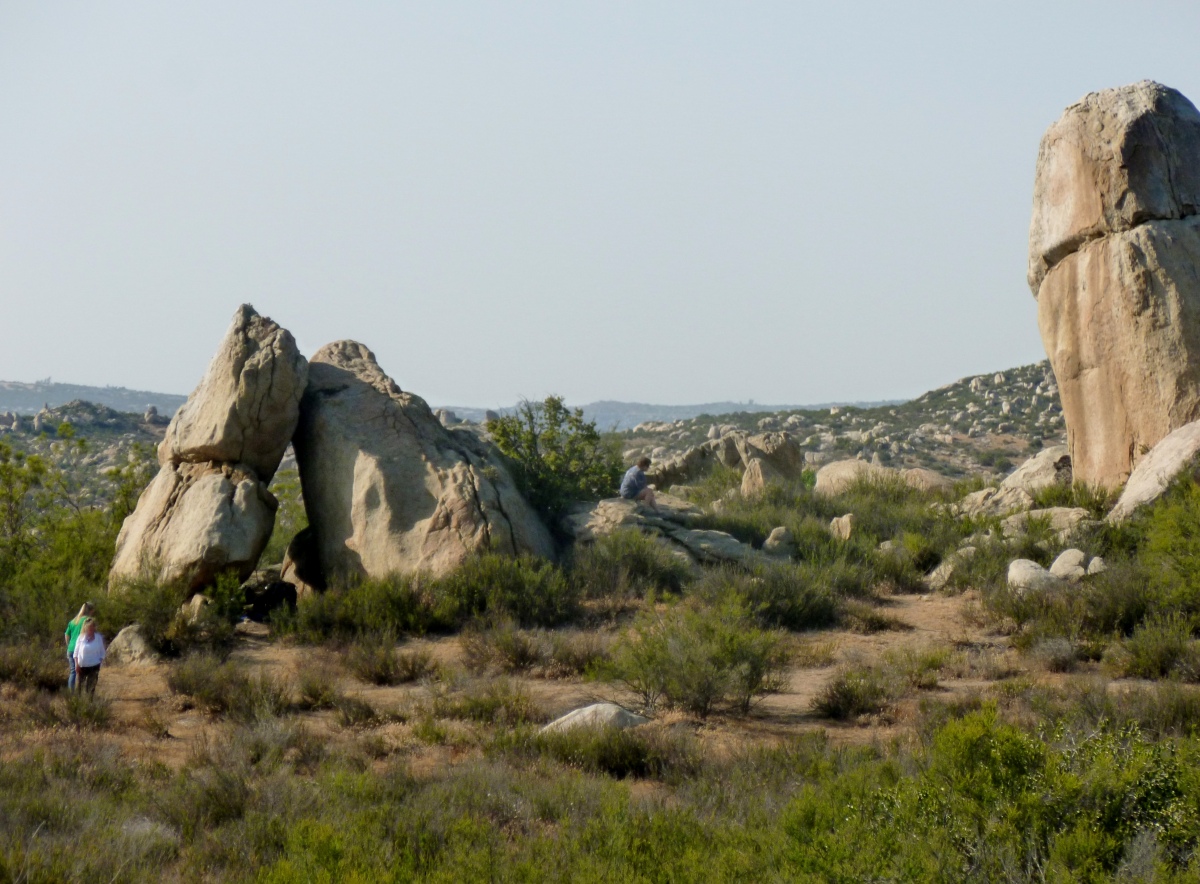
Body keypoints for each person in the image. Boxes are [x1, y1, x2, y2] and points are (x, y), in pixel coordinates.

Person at [64, 602, 94, 690]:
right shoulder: (88, 621)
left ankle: (70, 694)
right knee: (83, 673)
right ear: (90, 611)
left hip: (71, 648)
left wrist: (69, 645)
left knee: (73, 672)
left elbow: (66, 634)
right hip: (81, 650)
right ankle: (80, 693)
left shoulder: (73, 621)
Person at [72, 617, 106, 695]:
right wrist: (76, 664)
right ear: (85, 628)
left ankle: (89, 704)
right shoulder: (80, 638)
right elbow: (76, 652)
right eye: (89, 627)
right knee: (78, 688)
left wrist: (99, 661)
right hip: (82, 666)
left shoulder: (98, 638)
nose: (91, 629)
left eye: (92, 627)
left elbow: (102, 652)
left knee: (90, 688)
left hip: (94, 666)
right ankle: (77, 704)